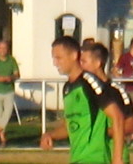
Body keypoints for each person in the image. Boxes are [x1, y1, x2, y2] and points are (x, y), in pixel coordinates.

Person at [40, 36, 124, 164]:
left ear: (74, 55)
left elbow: (117, 117)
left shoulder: (90, 82)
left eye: (58, 58)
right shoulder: (68, 88)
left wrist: (117, 159)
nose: (55, 63)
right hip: (77, 159)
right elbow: (71, 126)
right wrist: (50, 135)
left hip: (95, 158)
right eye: (54, 58)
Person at [81, 42, 133, 163]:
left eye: (84, 62)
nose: (81, 67)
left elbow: (131, 125)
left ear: (97, 63)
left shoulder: (116, 91)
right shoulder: (83, 90)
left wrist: (103, 132)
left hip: (112, 154)